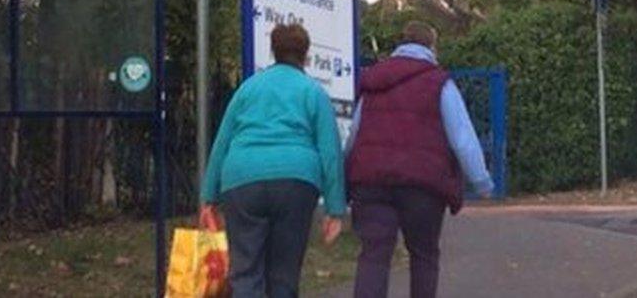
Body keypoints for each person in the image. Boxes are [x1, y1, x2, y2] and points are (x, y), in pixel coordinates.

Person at [345, 21, 494, 298]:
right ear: (432, 46)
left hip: (372, 180)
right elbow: (462, 138)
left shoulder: (374, 80)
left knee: (374, 255)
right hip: (422, 184)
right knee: (424, 255)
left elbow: (354, 132)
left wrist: (345, 176)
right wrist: (481, 182)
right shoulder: (439, 82)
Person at [199, 23, 345, 298]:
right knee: (284, 274)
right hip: (296, 181)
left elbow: (223, 141)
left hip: (242, 179)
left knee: (245, 272)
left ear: (273, 51)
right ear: (307, 55)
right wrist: (335, 209)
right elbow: (329, 150)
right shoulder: (313, 92)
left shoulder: (248, 89)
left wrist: (209, 197)